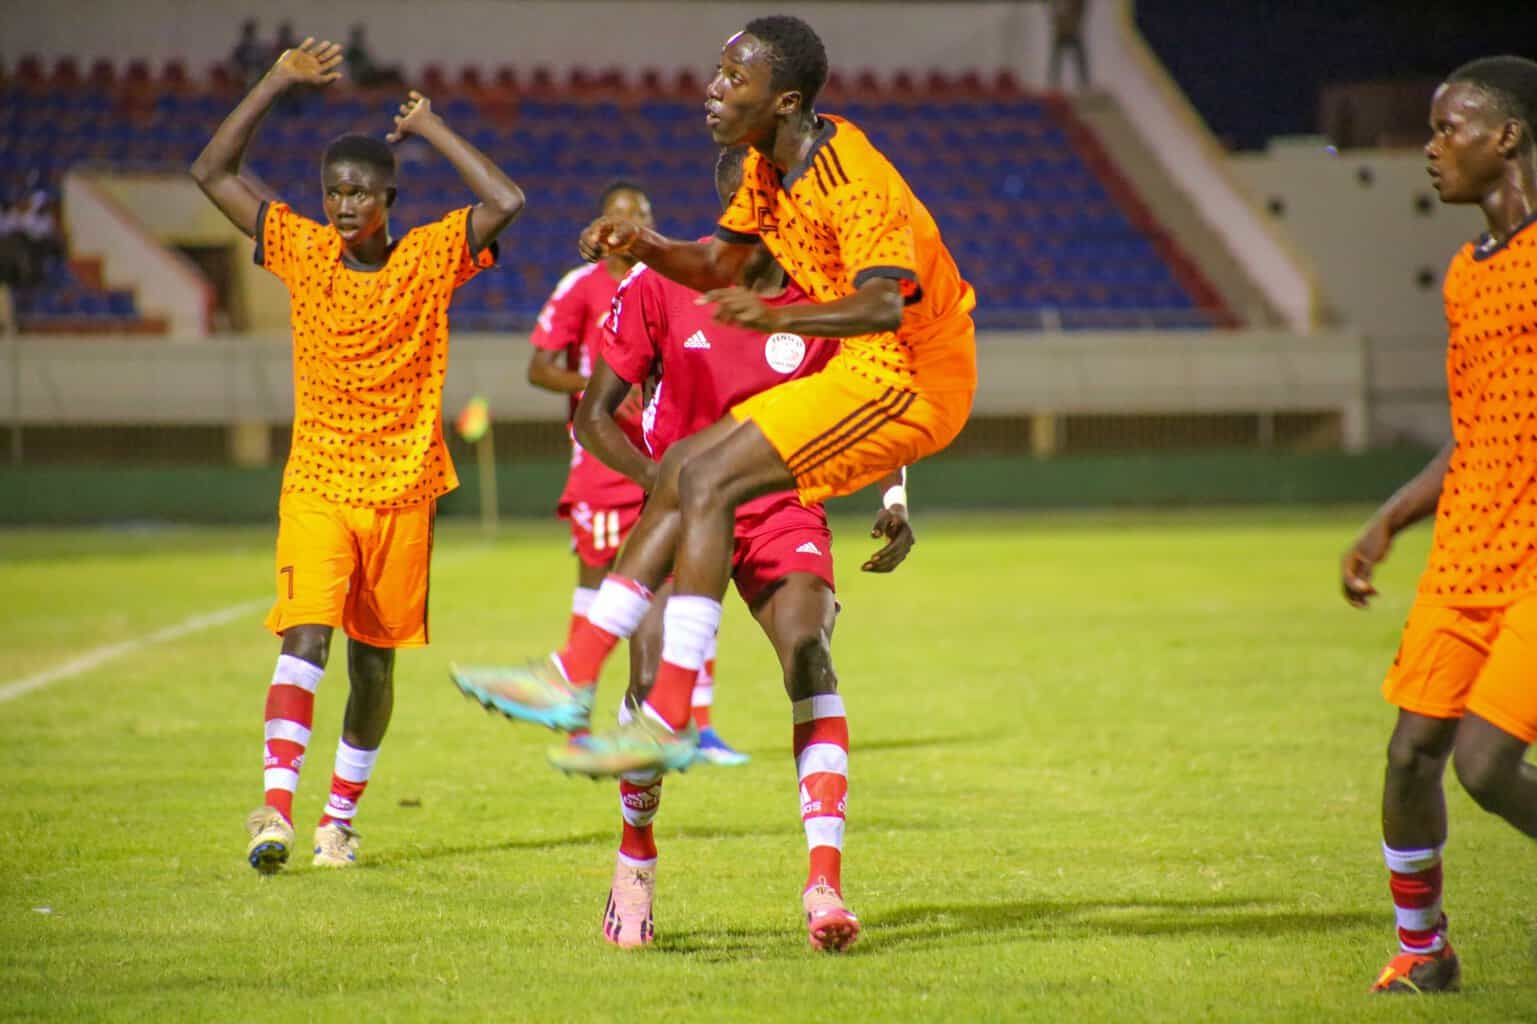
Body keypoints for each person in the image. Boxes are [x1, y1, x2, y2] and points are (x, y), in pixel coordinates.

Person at [550, 14, 974, 784]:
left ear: (783, 101)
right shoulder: (763, 167)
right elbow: (718, 263)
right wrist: (638, 245)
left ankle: (657, 709)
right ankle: (583, 678)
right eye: (717, 71)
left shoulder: (852, 178)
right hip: (863, 367)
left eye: (734, 78)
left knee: (701, 477)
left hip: (914, 375)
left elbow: (883, 306)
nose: (713, 88)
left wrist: (778, 314)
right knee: (684, 465)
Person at [189, 36, 524, 873]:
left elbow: (506, 200)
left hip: (404, 490)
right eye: (334, 191)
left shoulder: (429, 257)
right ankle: (273, 813)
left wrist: (433, 126)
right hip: (318, 483)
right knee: (305, 640)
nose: (342, 206)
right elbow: (213, 174)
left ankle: (338, 818)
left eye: (360, 193)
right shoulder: (301, 251)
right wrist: (272, 81)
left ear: (388, 199)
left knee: (373, 675)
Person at [1340, 55, 1537, 995]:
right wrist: (1386, 522)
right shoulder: (1466, 274)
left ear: (1506, 138)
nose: (1431, 148)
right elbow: (1476, 432)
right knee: (1409, 756)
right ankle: (1425, 953)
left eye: (1449, 128)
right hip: (1466, 551)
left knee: (1487, 765)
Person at [507, 179, 748, 764]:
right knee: (598, 587)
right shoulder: (581, 287)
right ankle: (576, 713)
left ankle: (694, 723)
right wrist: (602, 388)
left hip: (665, 450)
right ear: (600, 226)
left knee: (685, 582)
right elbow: (539, 369)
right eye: (617, 214)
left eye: (639, 213)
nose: (628, 222)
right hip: (603, 458)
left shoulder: (673, 280)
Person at [1047, 0, 1090, 91]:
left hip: (1071, 29)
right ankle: (1053, 84)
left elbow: (1081, 10)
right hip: (1062, 30)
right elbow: (1053, 10)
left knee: (1079, 59)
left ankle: (1084, 84)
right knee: (1057, 60)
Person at [230, 20, 268, 91]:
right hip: (242, 77)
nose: (249, 34)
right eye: (248, 31)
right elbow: (234, 63)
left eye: (251, 31)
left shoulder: (260, 47)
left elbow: (264, 62)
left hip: (257, 75)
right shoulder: (240, 48)